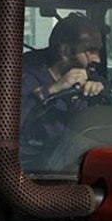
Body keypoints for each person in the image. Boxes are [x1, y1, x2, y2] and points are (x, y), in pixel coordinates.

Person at [20, 15, 106, 150]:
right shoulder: (25, 79)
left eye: (98, 51)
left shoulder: (92, 78)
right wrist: (53, 89)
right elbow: (8, 127)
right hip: (37, 163)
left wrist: (101, 91)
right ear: (65, 50)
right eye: (90, 50)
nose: (98, 60)